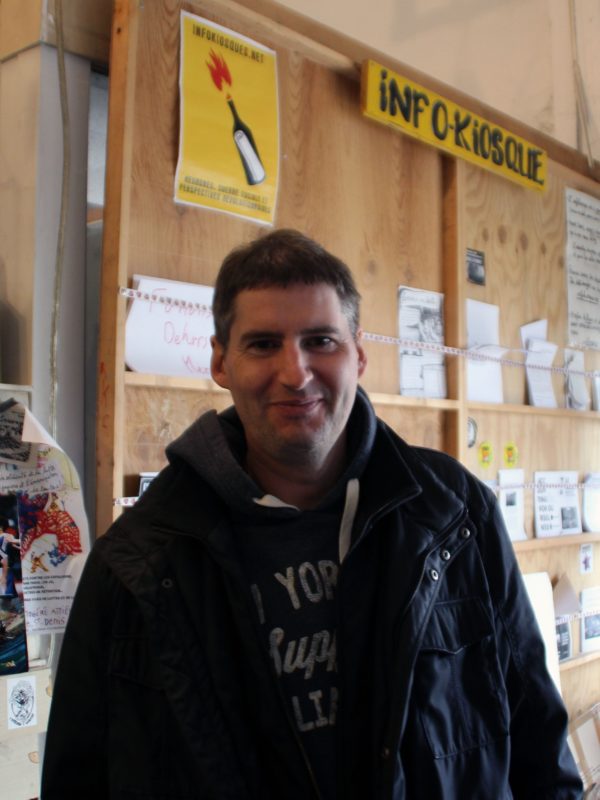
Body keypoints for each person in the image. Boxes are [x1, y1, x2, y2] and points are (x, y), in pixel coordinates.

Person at [41, 229, 583, 799]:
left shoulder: (455, 513)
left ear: (359, 355)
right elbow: (79, 775)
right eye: (262, 344)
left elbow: (538, 740)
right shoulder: (137, 562)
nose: (296, 373)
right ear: (220, 361)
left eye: (320, 340)